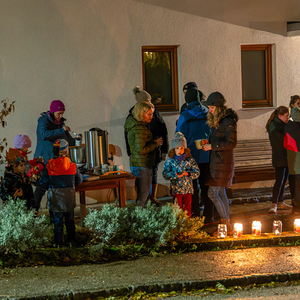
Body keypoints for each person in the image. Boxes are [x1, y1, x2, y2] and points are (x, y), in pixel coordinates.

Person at [202, 92, 238, 235]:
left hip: (223, 163)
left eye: (212, 107)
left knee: (212, 193)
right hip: (218, 162)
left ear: (218, 107)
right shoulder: (218, 120)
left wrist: (212, 146)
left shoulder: (227, 121)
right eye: (209, 107)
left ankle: (225, 224)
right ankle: (227, 226)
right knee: (221, 192)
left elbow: (231, 142)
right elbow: (219, 140)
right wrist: (209, 143)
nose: (210, 110)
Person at [35, 139, 82, 247]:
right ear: (66, 151)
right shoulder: (72, 166)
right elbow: (78, 180)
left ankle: (58, 242)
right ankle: (72, 240)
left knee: (57, 222)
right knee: (70, 221)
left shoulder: (49, 166)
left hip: (55, 199)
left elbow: (43, 183)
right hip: (69, 199)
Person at [125, 86, 168, 205]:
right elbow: (141, 149)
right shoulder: (140, 129)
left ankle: (149, 204)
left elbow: (163, 131)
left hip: (145, 160)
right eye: (149, 114)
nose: (151, 116)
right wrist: (155, 143)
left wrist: (163, 149)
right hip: (143, 162)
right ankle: (140, 218)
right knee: (143, 194)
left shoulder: (135, 123)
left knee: (144, 190)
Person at [176, 88, 212, 220]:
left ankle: (195, 215)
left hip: (190, 157)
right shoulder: (208, 112)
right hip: (207, 155)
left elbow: (179, 135)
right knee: (206, 186)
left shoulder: (185, 115)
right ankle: (209, 216)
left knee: (192, 189)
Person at [162, 132, 200, 217]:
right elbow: (165, 174)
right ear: (173, 149)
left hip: (188, 189)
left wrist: (188, 174)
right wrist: (174, 175)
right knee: (177, 208)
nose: (179, 151)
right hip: (176, 190)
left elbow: (197, 172)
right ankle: (178, 224)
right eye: (177, 148)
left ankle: (187, 224)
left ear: (185, 149)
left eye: (182, 148)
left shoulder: (190, 160)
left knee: (188, 207)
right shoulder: (170, 161)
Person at [266, 106, 291, 213]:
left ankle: (280, 202)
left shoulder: (282, 125)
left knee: (284, 180)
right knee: (279, 181)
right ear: (280, 115)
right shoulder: (274, 125)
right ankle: (274, 203)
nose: (287, 118)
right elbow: (280, 139)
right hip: (279, 157)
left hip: (286, 156)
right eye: (286, 116)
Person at [34, 100, 75, 164]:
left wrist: (77, 141)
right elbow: (44, 134)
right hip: (43, 159)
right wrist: (62, 130)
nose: (61, 116)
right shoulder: (43, 120)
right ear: (52, 112)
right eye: (59, 113)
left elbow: (67, 138)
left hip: (55, 158)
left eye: (62, 113)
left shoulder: (60, 123)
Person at [284, 107, 300, 215]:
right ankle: (297, 206)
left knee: (295, 184)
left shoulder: (288, 127)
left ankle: (296, 207)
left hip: (293, 161)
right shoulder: (296, 128)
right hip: (297, 159)